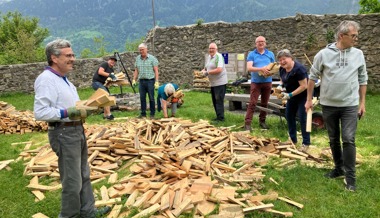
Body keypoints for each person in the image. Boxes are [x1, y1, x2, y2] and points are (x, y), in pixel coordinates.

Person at [33, 39, 110, 217]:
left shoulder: (64, 80)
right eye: (68, 55)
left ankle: (88, 211)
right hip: (64, 133)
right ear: (54, 57)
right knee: (72, 180)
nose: (73, 58)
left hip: (75, 130)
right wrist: (68, 112)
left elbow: (70, 106)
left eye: (73, 55)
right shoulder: (46, 80)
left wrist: (85, 109)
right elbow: (40, 112)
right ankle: (69, 215)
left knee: (84, 173)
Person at [305, 20, 368, 192]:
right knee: (333, 139)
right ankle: (338, 168)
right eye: (353, 35)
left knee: (348, 139)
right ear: (342, 36)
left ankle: (351, 178)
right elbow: (312, 77)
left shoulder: (358, 54)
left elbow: (363, 79)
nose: (356, 38)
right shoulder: (323, 54)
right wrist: (309, 99)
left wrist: (362, 102)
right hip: (328, 105)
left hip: (350, 105)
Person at [276, 49, 310, 151]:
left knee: (303, 118)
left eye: (284, 59)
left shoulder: (299, 69)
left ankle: (306, 143)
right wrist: (280, 85)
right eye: (280, 60)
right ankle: (292, 139)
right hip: (291, 96)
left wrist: (290, 94)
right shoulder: (282, 68)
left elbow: (304, 86)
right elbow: (283, 79)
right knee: (289, 116)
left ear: (291, 58)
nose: (282, 62)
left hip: (303, 96)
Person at [244, 36, 275, 131]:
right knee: (252, 103)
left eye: (262, 41)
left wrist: (270, 72)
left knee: (264, 103)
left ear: (265, 43)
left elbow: (274, 66)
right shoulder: (252, 54)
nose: (260, 43)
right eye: (258, 42)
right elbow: (249, 68)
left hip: (267, 82)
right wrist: (261, 69)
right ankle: (248, 123)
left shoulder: (270, 54)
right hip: (256, 82)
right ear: (255, 44)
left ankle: (262, 121)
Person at [201, 42, 228, 122]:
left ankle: (221, 118)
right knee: (214, 100)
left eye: (213, 48)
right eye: (210, 48)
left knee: (218, 100)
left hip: (220, 82)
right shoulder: (209, 57)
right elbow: (206, 67)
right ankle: (218, 116)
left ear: (216, 49)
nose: (211, 50)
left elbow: (219, 69)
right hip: (213, 83)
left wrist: (207, 73)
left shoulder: (219, 57)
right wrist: (203, 71)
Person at [132, 43, 159, 119]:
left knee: (151, 98)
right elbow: (136, 70)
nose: (141, 51)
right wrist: (134, 79)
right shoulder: (138, 58)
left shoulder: (152, 58)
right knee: (142, 97)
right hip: (141, 81)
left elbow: (156, 70)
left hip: (150, 81)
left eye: (142, 49)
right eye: (140, 50)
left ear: (146, 49)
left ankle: (152, 114)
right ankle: (143, 114)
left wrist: (156, 81)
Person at [92, 56, 118, 120]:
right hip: (96, 83)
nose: (112, 62)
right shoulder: (105, 64)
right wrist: (110, 75)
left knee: (107, 96)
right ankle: (109, 114)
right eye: (111, 60)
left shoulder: (111, 70)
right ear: (108, 60)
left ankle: (105, 115)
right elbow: (100, 72)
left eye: (114, 61)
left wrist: (110, 83)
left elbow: (108, 80)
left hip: (102, 84)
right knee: (106, 95)